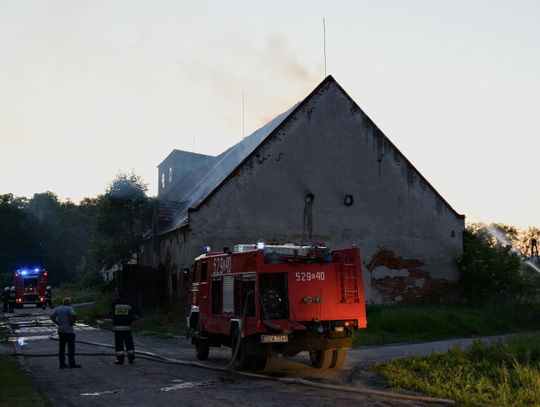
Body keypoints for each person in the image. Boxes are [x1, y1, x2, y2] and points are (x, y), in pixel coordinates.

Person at [50, 297, 81, 369]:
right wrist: (73, 322)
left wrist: (57, 323)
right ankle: (72, 364)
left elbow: (52, 317)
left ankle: (62, 364)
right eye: (70, 302)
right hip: (69, 331)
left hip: (61, 330)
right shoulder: (69, 308)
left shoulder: (58, 308)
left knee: (62, 348)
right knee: (71, 348)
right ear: (69, 303)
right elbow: (73, 315)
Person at [111, 290, 139, 365]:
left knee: (119, 344)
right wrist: (130, 319)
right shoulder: (130, 303)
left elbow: (111, 313)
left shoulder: (114, 303)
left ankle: (120, 360)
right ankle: (131, 359)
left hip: (117, 328)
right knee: (129, 343)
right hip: (127, 327)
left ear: (118, 295)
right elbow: (137, 314)